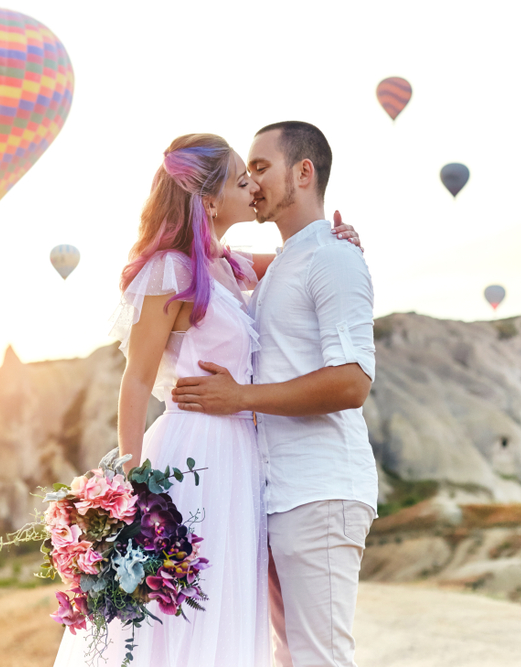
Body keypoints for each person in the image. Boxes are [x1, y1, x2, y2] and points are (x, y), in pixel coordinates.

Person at [52, 132, 361, 667]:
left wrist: (341, 239)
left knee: (228, 607)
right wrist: (131, 487)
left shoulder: (230, 265)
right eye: (243, 179)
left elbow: (297, 259)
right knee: (186, 608)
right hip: (195, 451)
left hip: (241, 455)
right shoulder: (170, 269)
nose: (254, 187)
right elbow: (136, 380)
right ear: (211, 200)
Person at [172, 121, 378, 667]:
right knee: (290, 657)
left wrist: (241, 398)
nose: (252, 181)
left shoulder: (332, 258)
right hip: (276, 494)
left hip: (321, 488)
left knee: (319, 657)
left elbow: (353, 382)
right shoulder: (285, 262)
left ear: (304, 172)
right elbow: (205, 260)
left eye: (261, 168)